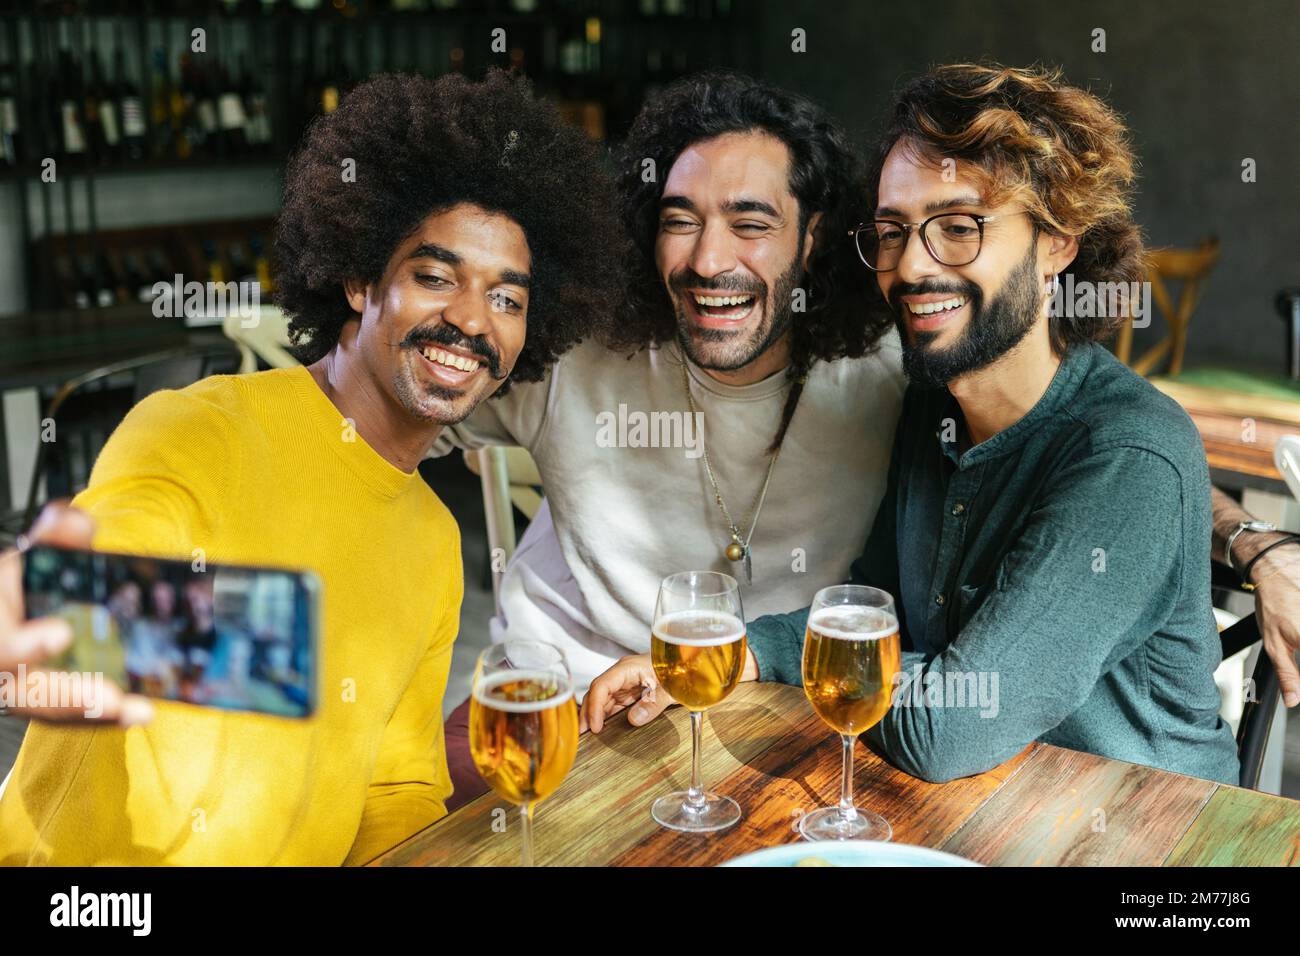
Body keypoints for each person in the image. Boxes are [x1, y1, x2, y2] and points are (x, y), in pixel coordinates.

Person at [0, 69, 623, 864]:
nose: (472, 319)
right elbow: (100, 589)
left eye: (508, 299)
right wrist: (60, 632)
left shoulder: (433, 542)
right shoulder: (198, 429)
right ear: (360, 280)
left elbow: (395, 792)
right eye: (435, 277)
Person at [584, 63, 1247, 785]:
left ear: (1059, 243)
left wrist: (1258, 545)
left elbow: (947, 727)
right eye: (893, 231)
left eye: (958, 227)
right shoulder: (934, 404)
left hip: (1150, 838)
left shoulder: (1127, 454)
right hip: (978, 812)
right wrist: (735, 653)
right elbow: (875, 614)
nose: (911, 266)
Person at [433, 73, 906, 805]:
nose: (709, 260)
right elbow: (376, 424)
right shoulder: (572, 356)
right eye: (680, 220)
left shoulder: (888, 381)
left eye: (750, 224)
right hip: (560, 716)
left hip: (783, 719)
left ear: (812, 239)